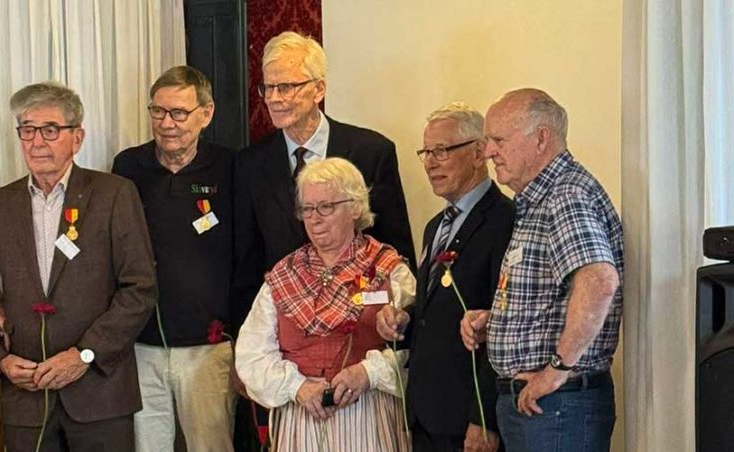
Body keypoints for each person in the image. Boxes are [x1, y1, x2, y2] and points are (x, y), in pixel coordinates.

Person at [232, 31, 416, 447]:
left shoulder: (372, 151)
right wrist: (250, 359)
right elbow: (246, 263)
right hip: (292, 368)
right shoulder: (249, 164)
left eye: (286, 86)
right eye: (267, 88)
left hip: (363, 371)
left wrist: (393, 322)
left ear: (319, 89)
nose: (274, 98)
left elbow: (398, 254)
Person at [0, 81, 157, 451]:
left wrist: (84, 355)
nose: (37, 142)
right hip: (27, 397)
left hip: (100, 395)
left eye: (50, 130)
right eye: (27, 130)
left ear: (77, 138)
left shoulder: (114, 195)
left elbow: (140, 289)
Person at [460, 89, 623, 452]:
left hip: (558, 407)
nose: (488, 152)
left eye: (499, 140)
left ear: (541, 139)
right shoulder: (538, 199)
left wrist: (557, 370)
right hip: (543, 408)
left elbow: (599, 281)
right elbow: (557, 295)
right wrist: (496, 321)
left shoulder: (565, 195)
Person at [235, 157, 414, 451]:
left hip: (368, 417)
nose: (314, 218)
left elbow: (417, 348)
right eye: (307, 209)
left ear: (355, 207)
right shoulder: (284, 274)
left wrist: (368, 373)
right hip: (301, 419)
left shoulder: (389, 269)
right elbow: (251, 354)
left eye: (326, 207)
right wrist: (297, 387)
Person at [111, 65, 237, 452]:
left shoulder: (231, 168)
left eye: (179, 113)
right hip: (142, 344)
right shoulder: (128, 167)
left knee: (210, 445)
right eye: (158, 111)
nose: (167, 124)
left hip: (208, 347)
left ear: (206, 113)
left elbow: (247, 254)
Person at [377, 102, 513, 452]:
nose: (430, 163)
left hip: (467, 416)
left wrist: (484, 417)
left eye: (441, 150)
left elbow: (502, 323)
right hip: (426, 413)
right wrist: (404, 320)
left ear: (479, 152)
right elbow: (434, 310)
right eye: (425, 152)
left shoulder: (504, 221)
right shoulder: (435, 226)